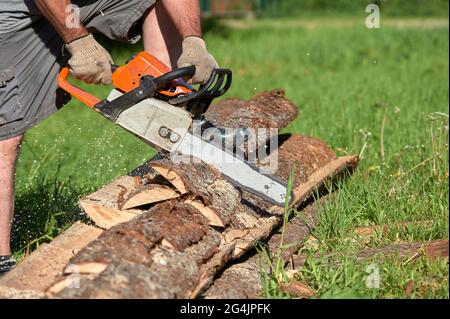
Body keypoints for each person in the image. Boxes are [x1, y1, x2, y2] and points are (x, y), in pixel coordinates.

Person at [0, 0, 218, 273]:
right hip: (19, 13)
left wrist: (193, 39)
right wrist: (79, 41)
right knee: (5, 139)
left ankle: (170, 110)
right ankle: (2, 261)